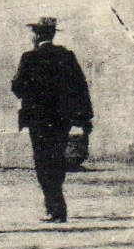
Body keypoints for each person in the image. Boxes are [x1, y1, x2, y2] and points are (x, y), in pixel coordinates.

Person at [11, 16, 93, 224]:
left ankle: (54, 207)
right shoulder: (67, 56)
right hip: (61, 119)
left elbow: (18, 87)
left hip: (38, 120)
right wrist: (84, 119)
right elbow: (80, 87)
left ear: (37, 36)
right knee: (56, 160)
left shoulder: (29, 58)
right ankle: (57, 206)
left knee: (42, 161)